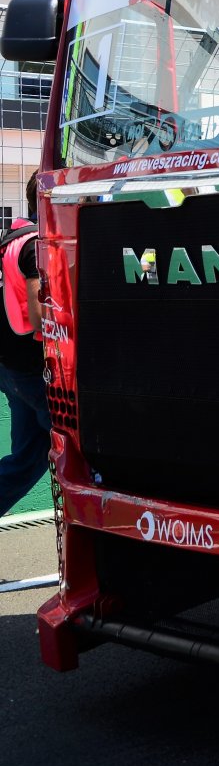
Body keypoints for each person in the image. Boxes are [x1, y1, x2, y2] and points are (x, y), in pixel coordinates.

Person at [0, 174, 49, 516]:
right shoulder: (34, 245)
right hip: (33, 372)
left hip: (11, 369)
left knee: (27, 460)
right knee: (80, 453)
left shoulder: (11, 238)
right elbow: (37, 314)